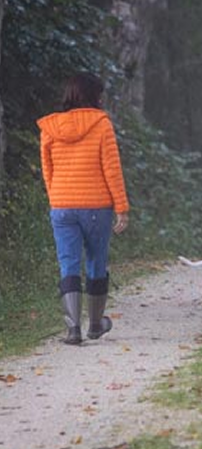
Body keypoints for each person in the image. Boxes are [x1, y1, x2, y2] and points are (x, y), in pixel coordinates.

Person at [37, 73, 129, 345]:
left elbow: (47, 170)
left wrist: (58, 199)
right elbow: (112, 169)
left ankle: (73, 328)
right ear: (93, 96)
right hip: (96, 206)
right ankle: (96, 324)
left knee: (68, 263)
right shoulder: (101, 124)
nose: (102, 98)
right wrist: (122, 207)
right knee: (96, 261)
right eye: (100, 94)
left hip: (62, 206)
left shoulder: (50, 127)